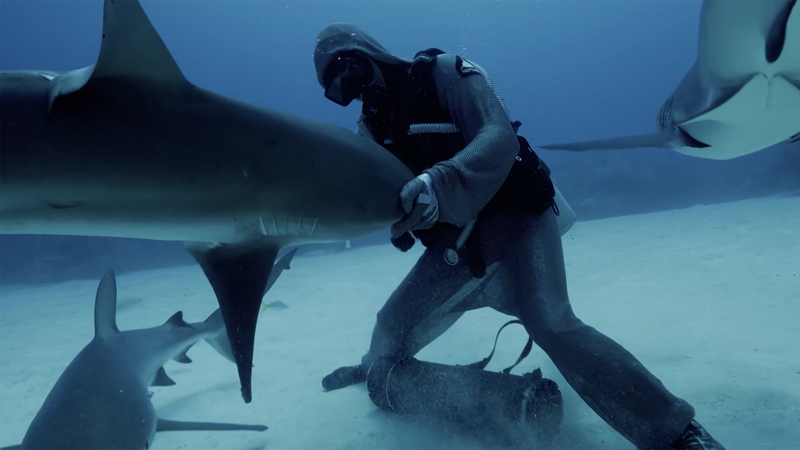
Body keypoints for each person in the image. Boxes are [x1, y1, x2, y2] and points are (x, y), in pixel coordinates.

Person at [313, 23, 725, 450]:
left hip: (517, 218)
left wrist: (441, 181)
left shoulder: (446, 72)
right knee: (386, 336)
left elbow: (498, 136)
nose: (354, 93)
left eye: (349, 75)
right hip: (457, 247)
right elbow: (372, 190)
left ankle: (677, 432)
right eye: (338, 91)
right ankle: (501, 400)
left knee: (552, 324)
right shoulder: (373, 127)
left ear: (368, 53)